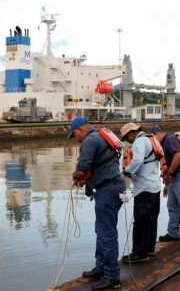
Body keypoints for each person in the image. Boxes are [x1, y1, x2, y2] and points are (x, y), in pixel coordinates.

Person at [68, 117, 125, 290]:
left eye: (74, 135)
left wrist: (76, 176)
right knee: (102, 230)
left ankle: (112, 277)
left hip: (108, 190)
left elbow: (84, 164)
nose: (75, 139)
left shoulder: (90, 140)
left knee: (106, 233)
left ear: (80, 130)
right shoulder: (100, 137)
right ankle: (101, 267)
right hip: (113, 188)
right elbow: (98, 166)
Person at [120, 123, 162, 263]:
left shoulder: (139, 142)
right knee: (152, 219)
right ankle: (150, 249)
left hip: (144, 188)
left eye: (127, 137)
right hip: (155, 186)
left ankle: (139, 253)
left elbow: (137, 160)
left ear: (132, 133)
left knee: (141, 221)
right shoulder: (151, 139)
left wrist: (127, 171)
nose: (128, 141)